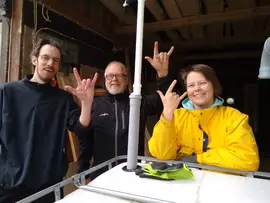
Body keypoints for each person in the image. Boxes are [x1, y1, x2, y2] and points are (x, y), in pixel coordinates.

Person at [0, 38, 97, 203]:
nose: (50, 63)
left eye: (56, 60)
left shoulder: (63, 99)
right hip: (11, 185)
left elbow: (80, 128)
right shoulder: (8, 92)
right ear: (34, 59)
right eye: (45, 57)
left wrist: (86, 104)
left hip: (48, 187)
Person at [77, 42, 178, 177]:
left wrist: (162, 74)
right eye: (110, 75)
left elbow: (166, 99)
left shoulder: (138, 103)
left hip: (132, 173)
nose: (114, 79)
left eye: (119, 75)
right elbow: (85, 141)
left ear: (126, 80)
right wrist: (83, 172)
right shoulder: (94, 105)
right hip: (101, 174)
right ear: (105, 79)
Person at [148, 64, 260, 171]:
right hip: (182, 184)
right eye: (191, 85)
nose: (197, 88)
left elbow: (248, 160)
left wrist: (198, 159)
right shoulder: (176, 116)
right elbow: (161, 154)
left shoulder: (234, 117)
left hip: (222, 186)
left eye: (202, 83)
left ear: (214, 86)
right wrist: (167, 115)